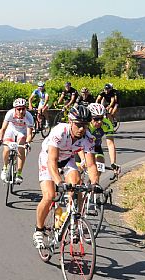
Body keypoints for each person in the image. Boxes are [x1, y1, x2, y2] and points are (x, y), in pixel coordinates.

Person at [33, 104, 102, 249]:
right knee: (50, 195)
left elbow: (91, 165)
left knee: (78, 185)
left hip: (67, 160)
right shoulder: (59, 132)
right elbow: (52, 161)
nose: (82, 128)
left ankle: (74, 223)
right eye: (78, 125)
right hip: (49, 159)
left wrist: (95, 184)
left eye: (85, 125)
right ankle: (39, 230)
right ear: (70, 122)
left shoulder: (88, 138)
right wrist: (59, 182)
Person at [0, 98, 35, 185]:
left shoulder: (29, 117)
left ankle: (19, 173)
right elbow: (3, 129)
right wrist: (0, 139)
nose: (21, 111)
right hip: (11, 130)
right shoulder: (10, 113)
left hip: (22, 132)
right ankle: (5, 167)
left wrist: (27, 143)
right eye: (18, 109)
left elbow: (29, 134)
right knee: (6, 148)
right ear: (15, 109)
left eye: (23, 109)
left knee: (21, 149)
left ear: (26, 109)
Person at [86, 103, 120, 176]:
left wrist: (113, 163)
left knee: (100, 164)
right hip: (81, 148)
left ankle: (93, 185)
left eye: (101, 118)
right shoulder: (85, 124)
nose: (99, 122)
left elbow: (110, 144)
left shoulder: (106, 124)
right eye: (96, 119)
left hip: (96, 146)